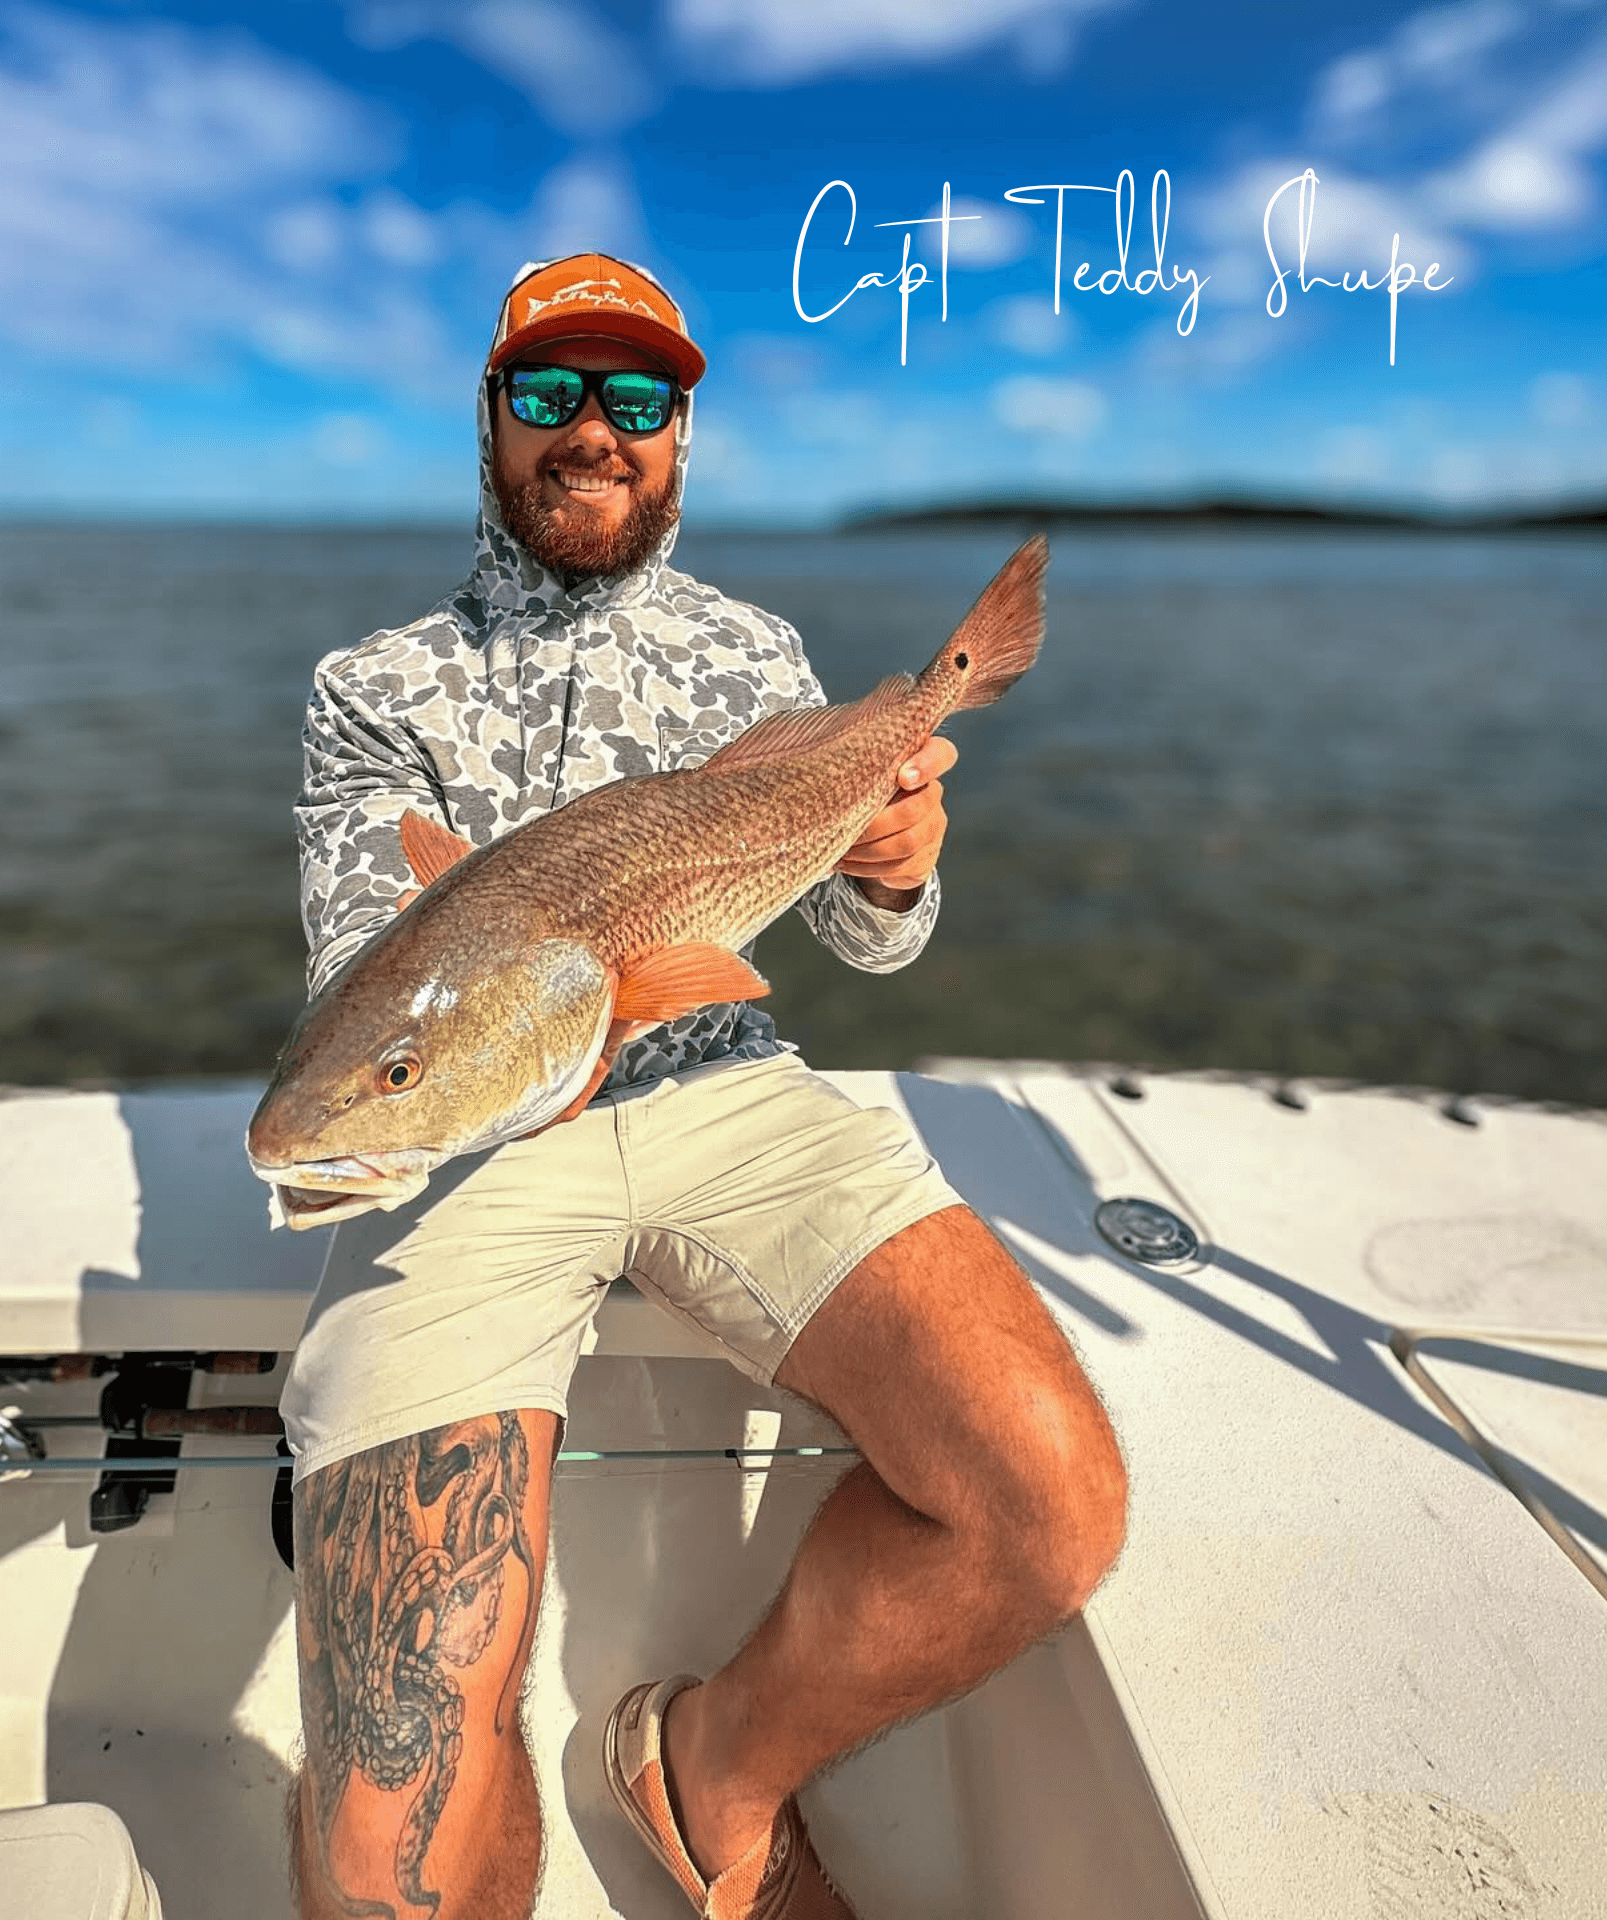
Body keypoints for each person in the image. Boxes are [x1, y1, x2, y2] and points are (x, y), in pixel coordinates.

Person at [279, 252, 1127, 1920]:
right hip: (476, 1139)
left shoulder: (761, 655)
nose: (591, 429)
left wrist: (893, 860)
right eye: (547, 394)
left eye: (636, 398)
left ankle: (710, 1769)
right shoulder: (369, 691)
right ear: (489, 421)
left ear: (680, 434)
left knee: (1046, 1503)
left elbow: (867, 949)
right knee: (393, 1864)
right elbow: (367, 993)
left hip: (727, 1088)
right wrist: (531, 1013)